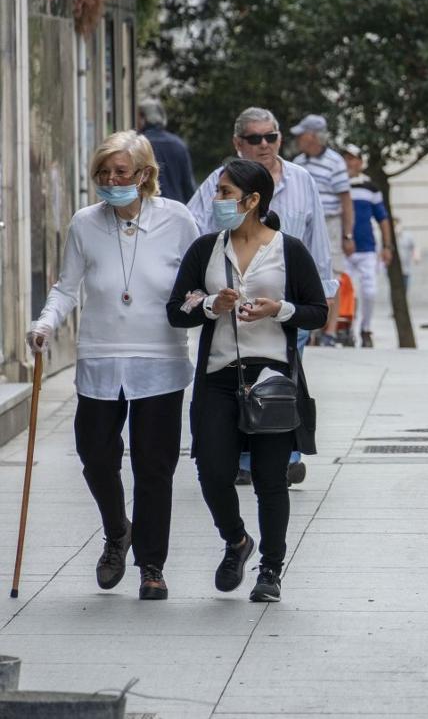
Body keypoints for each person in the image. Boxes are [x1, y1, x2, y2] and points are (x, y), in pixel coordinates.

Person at [28, 131, 199, 600]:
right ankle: (116, 529)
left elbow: (199, 277)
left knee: (154, 465)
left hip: (160, 358)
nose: (110, 180)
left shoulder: (178, 219)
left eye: (119, 172)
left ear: (144, 175)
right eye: (103, 172)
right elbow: (66, 287)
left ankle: (151, 565)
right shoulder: (85, 223)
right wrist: (45, 324)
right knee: (96, 455)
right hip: (101, 357)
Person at [167, 159, 327, 604]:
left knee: (270, 478)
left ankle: (271, 568)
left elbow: (318, 310)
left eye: (224, 192)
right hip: (219, 376)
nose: (217, 200)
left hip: (271, 376)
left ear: (252, 200)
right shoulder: (205, 249)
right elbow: (175, 310)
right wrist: (210, 306)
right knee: (212, 471)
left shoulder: (288, 249)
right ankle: (236, 541)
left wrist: (280, 309)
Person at [187, 107, 337, 487]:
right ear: (239, 143)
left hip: (287, 307)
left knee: (283, 379)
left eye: (271, 136)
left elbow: (317, 240)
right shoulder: (216, 186)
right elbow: (191, 233)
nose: (265, 145)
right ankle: (241, 455)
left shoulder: (301, 180)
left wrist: (325, 296)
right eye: (255, 139)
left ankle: (285, 455)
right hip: (232, 309)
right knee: (237, 378)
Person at [292, 114, 355, 347]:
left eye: (302, 134)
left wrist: (348, 235)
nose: (298, 138)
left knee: (333, 275)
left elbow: (346, 200)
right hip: (305, 222)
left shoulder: (335, 162)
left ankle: (329, 331)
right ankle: (309, 328)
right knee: (303, 273)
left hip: (330, 223)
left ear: (312, 136)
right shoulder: (298, 162)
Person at [344, 144, 393, 348]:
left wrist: (387, 246)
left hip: (367, 249)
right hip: (342, 249)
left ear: (360, 162)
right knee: (345, 292)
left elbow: (382, 217)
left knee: (370, 291)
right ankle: (345, 329)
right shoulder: (335, 186)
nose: (349, 163)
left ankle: (365, 329)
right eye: (345, 159)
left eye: (353, 158)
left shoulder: (371, 187)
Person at [137, 98, 195, 204]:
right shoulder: (179, 145)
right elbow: (188, 186)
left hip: (147, 208)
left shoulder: (139, 145)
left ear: (142, 118)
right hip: (176, 208)